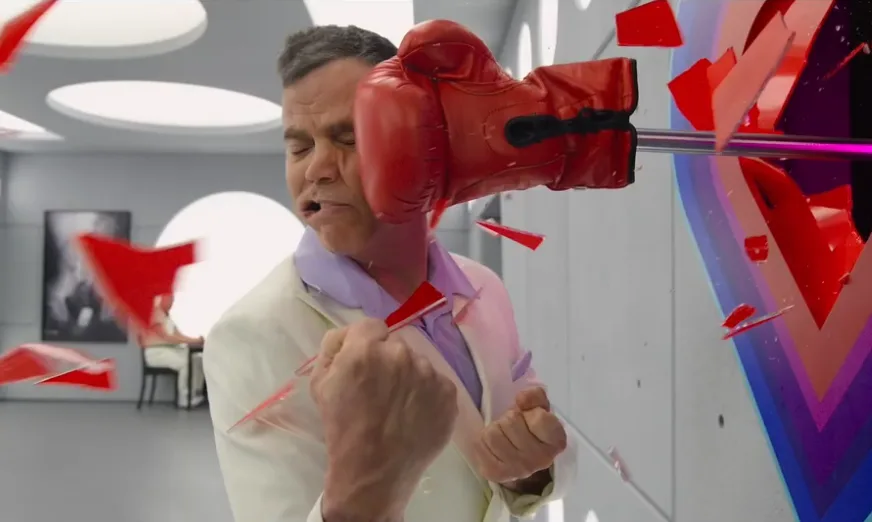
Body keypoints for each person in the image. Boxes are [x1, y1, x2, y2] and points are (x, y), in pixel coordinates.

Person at [204, 24, 576, 522]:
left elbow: (518, 452)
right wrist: (367, 486)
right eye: (299, 147)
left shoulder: (484, 287)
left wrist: (531, 470)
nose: (316, 169)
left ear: (422, 144)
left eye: (349, 137)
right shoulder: (251, 335)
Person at [142, 294, 206, 408]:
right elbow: (168, 338)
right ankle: (184, 398)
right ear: (162, 299)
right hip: (156, 352)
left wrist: (196, 340)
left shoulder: (169, 317)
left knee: (197, 360)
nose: (171, 302)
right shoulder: (155, 315)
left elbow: (178, 335)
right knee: (185, 363)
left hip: (170, 350)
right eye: (169, 299)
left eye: (172, 299)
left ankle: (195, 393)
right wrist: (193, 341)